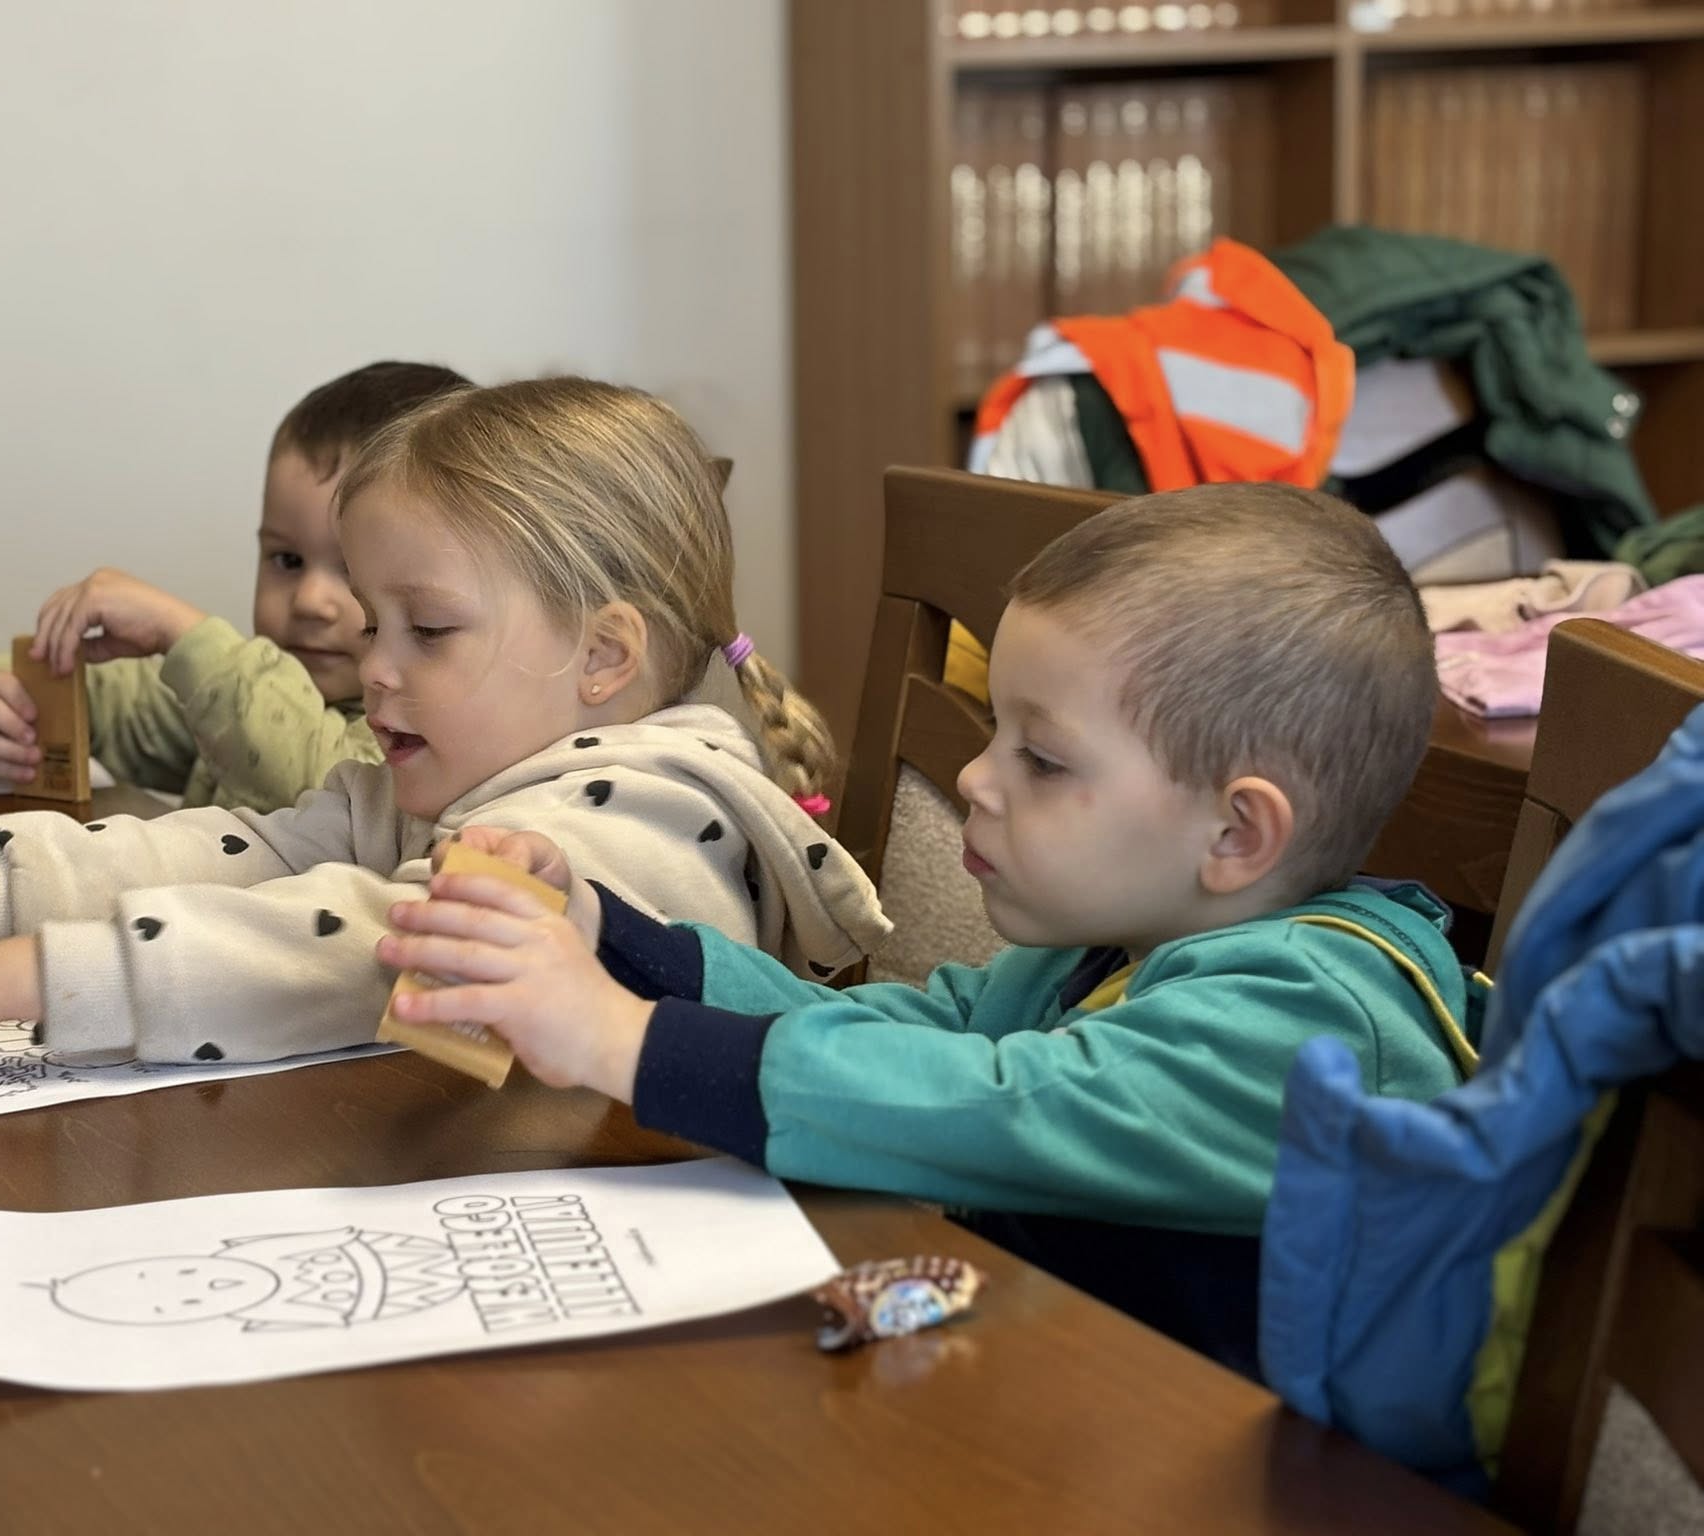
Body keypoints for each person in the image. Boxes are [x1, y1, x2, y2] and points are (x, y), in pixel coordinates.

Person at [374, 483, 1480, 1374]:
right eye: (996, 733)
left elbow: (1006, 1107)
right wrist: (606, 932)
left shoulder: (1314, 1030)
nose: (975, 777)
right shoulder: (1112, 942)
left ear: (1235, 833)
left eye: (1040, 759)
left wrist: (623, 1042)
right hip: (1078, 1407)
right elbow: (910, 1035)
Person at [0, 377, 888, 1086]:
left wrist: (12, 978)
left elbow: (367, 944)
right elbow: (239, 851)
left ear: (603, 657)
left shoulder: (647, 818)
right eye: (374, 621)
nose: (373, 664)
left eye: (426, 629)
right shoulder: (462, 777)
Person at [0, 360, 470, 811]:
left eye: (351, 571)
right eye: (287, 560)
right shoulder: (240, 694)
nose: (310, 601)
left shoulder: (418, 734)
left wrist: (182, 632)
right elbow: (124, 713)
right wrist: (13, 704)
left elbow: (322, 784)